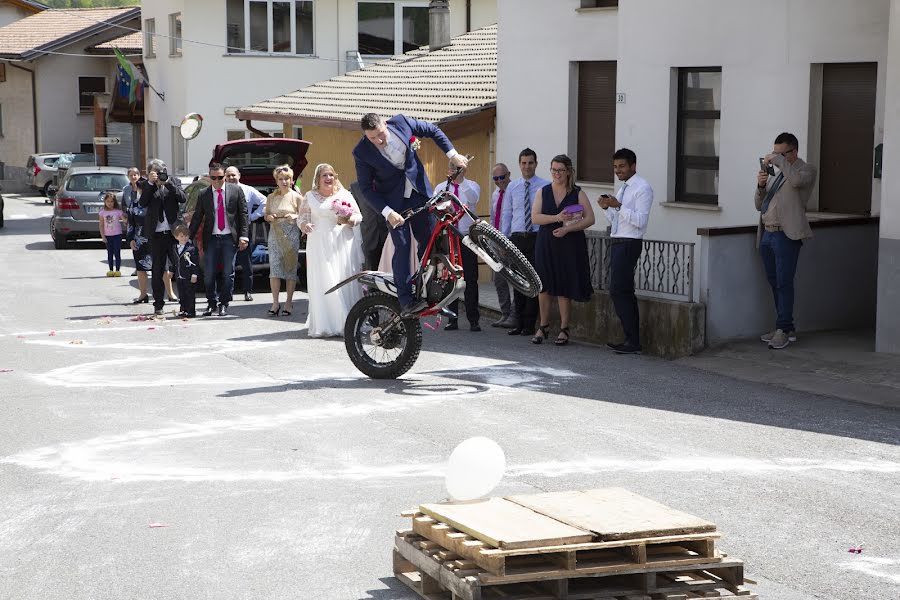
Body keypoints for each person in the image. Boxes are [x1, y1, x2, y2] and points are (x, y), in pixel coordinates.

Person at [353, 113, 468, 313]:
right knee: (403, 246)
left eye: (381, 134)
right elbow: (365, 188)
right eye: (373, 138)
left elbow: (433, 130)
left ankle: (430, 292)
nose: (379, 141)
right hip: (393, 204)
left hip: (419, 192)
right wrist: (387, 212)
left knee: (430, 241)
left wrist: (453, 154)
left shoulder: (402, 123)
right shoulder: (361, 152)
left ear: (385, 124)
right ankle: (406, 300)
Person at [755, 132, 817, 349]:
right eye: (774, 153)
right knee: (774, 281)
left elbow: (798, 181)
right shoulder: (777, 174)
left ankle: (782, 329)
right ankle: (785, 327)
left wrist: (779, 161)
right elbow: (758, 204)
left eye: (780, 153)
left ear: (794, 151)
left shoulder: (805, 170)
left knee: (784, 282)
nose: (775, 158)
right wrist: (761, 186)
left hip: (786, 234)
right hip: (768, 233)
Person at [531, 155, 595, 345]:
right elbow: (535, 218)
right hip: (546, 242)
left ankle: (564, 328)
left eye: (560, 170)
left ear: (568, 171)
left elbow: (590, 219)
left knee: (563, 286)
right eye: (553, 169)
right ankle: (543, 326)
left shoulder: (577, 193)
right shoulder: (543, 192)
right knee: (543, 285)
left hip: (569, 243)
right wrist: (557, 217)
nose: (557, 173)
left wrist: (567, 228)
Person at [599, 148, 654, 355]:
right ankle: (631, 339)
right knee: (623, 291)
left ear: (633, 166)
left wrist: (619, 206)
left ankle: (632, 340)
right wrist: (607, 208)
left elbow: (640, 221)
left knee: (619, 290)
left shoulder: (642, 188)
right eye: (615, 167)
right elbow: (616, 221)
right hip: (619, 240)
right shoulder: (624, 188)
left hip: (630, 242)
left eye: (622, 166)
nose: (618, 170)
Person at [299, 164, 364, 337]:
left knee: (342, 278)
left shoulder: (344, 194)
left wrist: (349, 220)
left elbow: (359, 216)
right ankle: (326, 323)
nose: (328, 178)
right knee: (324, 280)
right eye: (324, 175)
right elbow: (302, 218)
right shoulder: (309, 196)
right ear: (318, 179)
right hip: (319, 243)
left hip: (341, 242)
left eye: (331, 175)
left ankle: (348, 322)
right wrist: (305, 225)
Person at [188, 163, 249, 317]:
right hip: (211, 238)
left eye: (220, 177)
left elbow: (243, 214)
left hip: (230, 237)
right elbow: (197, 217)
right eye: (213, 177)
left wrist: (244, 236)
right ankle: (211, 303)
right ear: (210, 177)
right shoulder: (203, 193)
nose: (216, 180)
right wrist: (189, 237)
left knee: (228, 273)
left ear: (225, 177)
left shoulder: (236, 190)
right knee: (209, 273)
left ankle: (224, 303)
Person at [500, 148, 549, 336]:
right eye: (523, 163)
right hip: (517, 238)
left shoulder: (545, 186)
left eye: (530, 162)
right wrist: (504, 241)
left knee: (534, 281)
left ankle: (529, 324)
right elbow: (507, 214)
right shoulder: (513, 187)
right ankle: (518, 323)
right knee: (519, 281)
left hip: (537, 237)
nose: (527, 166)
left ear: (536, 164)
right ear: (519, 165)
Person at [433, 160, 481, 331]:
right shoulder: (441, 187)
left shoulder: (472, 185)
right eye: (452, 167)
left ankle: (473, 319)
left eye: (458, 167)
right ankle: (452, 319)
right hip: (448, 238)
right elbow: (435, 210)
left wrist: (461, 180)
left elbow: (474, 199)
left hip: (467, 238)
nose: (454, 170)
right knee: (449, 280)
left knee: (470, 279)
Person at [138, 159, 186, 316]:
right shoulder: (146, 185)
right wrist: (151, 184)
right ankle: (158, 304)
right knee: (157, 270)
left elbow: (182, 198)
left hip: (174, 233)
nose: (159, 175)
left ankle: (184, 302)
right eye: (156, 173)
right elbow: (143, 203)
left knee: (180, 268)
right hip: (156, 235)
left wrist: (168, 183)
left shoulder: (175, 181)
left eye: (162, 172)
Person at [265, 165, 303, 317]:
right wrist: (269, 217)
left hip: (291, 234)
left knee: (290, 269)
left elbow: (304, 216)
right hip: (274, 234)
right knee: (274, 269)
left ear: (292, 180)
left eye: (287, 178)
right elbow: (266, 215)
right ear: (277, 181)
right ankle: (275, 303)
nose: (284, 181)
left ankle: (288, 302)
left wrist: (295, 217)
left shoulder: (297, 197)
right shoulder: (271, 197)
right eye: (281, 179)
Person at [225, 165, 267, 301]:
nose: (231, 178)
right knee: (227, 263)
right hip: (226, 230)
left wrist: (252, 216)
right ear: (225, 177)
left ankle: (248, 291)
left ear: (239, 176)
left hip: (244, 229)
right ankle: (228, 293)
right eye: (229, 175)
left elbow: (265, 202)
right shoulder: (221, 190)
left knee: (246, 262)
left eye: (233, 175)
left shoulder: (248, 190)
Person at [489, 163, 516, 328]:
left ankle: (515, 315)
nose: (499, 181)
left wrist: (508, 243)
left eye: (502, 177)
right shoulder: (495, 194)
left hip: (512, 240)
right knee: (499, 279)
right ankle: (505, 313)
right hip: (497, 240)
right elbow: (494, 218)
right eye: (495, 178)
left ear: (509, 174)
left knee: (516, 279)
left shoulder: (515, 191)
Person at [125, 168, 151, 303]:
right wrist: (130, 239)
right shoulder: (134, 204)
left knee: (162, 269)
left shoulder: (154, 202)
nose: (141, 191)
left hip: (155, 239)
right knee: (141, 268)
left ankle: (165, 294)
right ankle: (143, 294)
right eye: (140, 189)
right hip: (139, 240)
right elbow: (131, 222)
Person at [351, 180, 389, 271]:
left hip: (388, 235)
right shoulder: (355, 187)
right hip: (369, 235)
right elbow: (354, 212)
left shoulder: (388, 182)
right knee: (372, 272)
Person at [173, 224, 199, 318]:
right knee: (181, 294)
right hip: (179, 275)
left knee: (190, 294)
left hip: (189, 275)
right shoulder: (174, 248)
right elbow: (174, 261)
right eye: (181, 236)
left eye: (186, 236)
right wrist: (171, 271)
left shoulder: (192, 249)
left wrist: (194, 274)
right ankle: (183, 309)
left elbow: (195, 262)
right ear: (176, 237)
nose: (184, 238)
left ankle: (191, 311)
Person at [98, 192, 125, 277]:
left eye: (112, 201)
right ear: (105, 202)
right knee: (110, 253)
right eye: (108, 201)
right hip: (107, 236)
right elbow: (101, 225)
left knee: (117, 252)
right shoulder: (102, 212)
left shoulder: (118, 212)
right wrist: (103, 236)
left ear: (114, 202)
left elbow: (124, 220)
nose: (110, 203)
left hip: (117, 235)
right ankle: (110, 270)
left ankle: (117, 270)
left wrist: (128, 219)